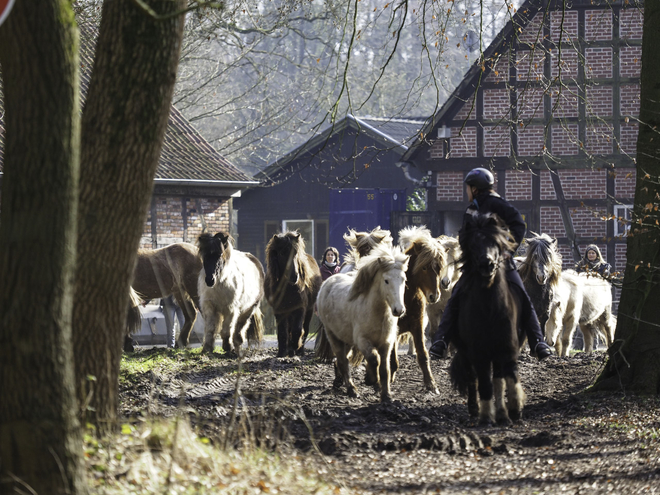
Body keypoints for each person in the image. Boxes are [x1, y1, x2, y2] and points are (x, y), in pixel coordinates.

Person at [429, 167, 553, 360]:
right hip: (475, 262)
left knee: (521, 295)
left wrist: (507, 250)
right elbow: (464, 235)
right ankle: (441, 340)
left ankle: (538, 341)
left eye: (468, 188)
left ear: (475, 188)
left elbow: (519, 226)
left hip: (500, 262)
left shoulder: (499, 205)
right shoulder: (471, 209)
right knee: (456, 294)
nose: (467, 192)